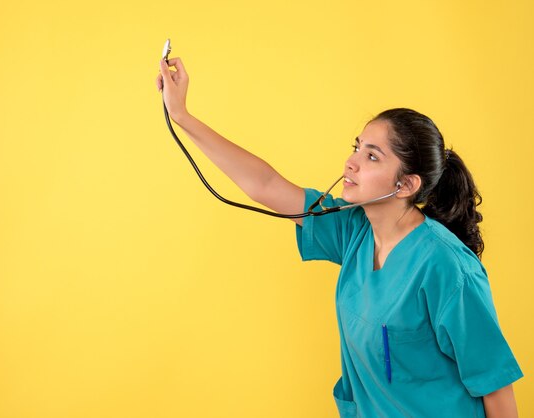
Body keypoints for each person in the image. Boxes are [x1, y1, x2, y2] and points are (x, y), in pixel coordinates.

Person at [156, 57, 523, 417]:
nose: (352, 162)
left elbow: (495, 385)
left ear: (407, 184)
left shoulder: (446, 267)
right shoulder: (353, 230)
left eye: (373, 156)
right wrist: (182, 116)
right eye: (356, 147)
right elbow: (265, 185)